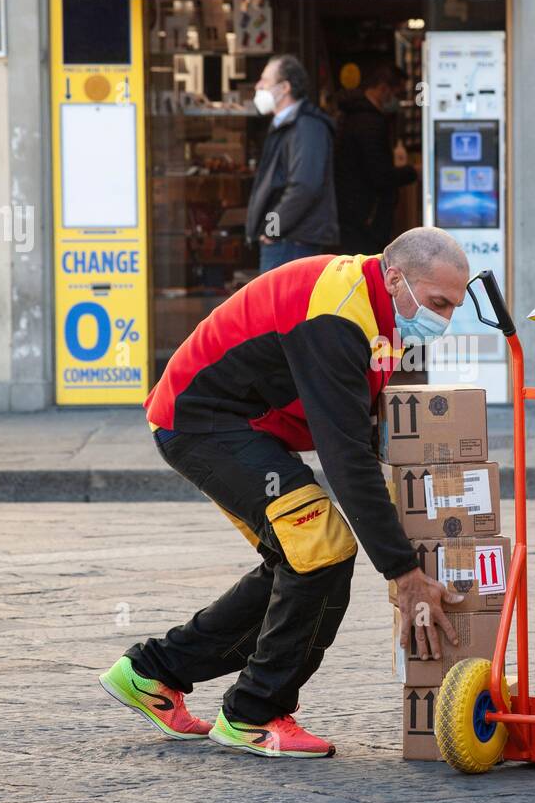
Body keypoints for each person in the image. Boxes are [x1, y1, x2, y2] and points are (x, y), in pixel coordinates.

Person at [98, 228, 470, 760]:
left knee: (295, 558)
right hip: (203, 425)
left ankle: (153, 672)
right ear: (395, 277)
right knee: (319, 549)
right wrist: (403, 573)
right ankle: (252, 714)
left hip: (239, 425)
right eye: (438, 303)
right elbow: (345, 457)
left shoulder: (377, 308)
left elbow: (358, 423)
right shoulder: (337, 317)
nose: (444, 319)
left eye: (455, 307)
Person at [246, 54, 338, 272]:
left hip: (292, 243)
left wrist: (271, 229)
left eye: (265, 81)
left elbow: (304, 186)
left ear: (285, 87)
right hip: (285, 241)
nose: (258, 86)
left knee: (281, 306)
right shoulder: (286, 125)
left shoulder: (306, 127)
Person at [334, 63, 417, 255]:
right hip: (367, 216)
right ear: (383, 89)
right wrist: (413, 172)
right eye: (397, 94)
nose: (398, 101)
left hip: (355, 214)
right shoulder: (369, 122)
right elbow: (380, 175)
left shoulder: (352, 115)